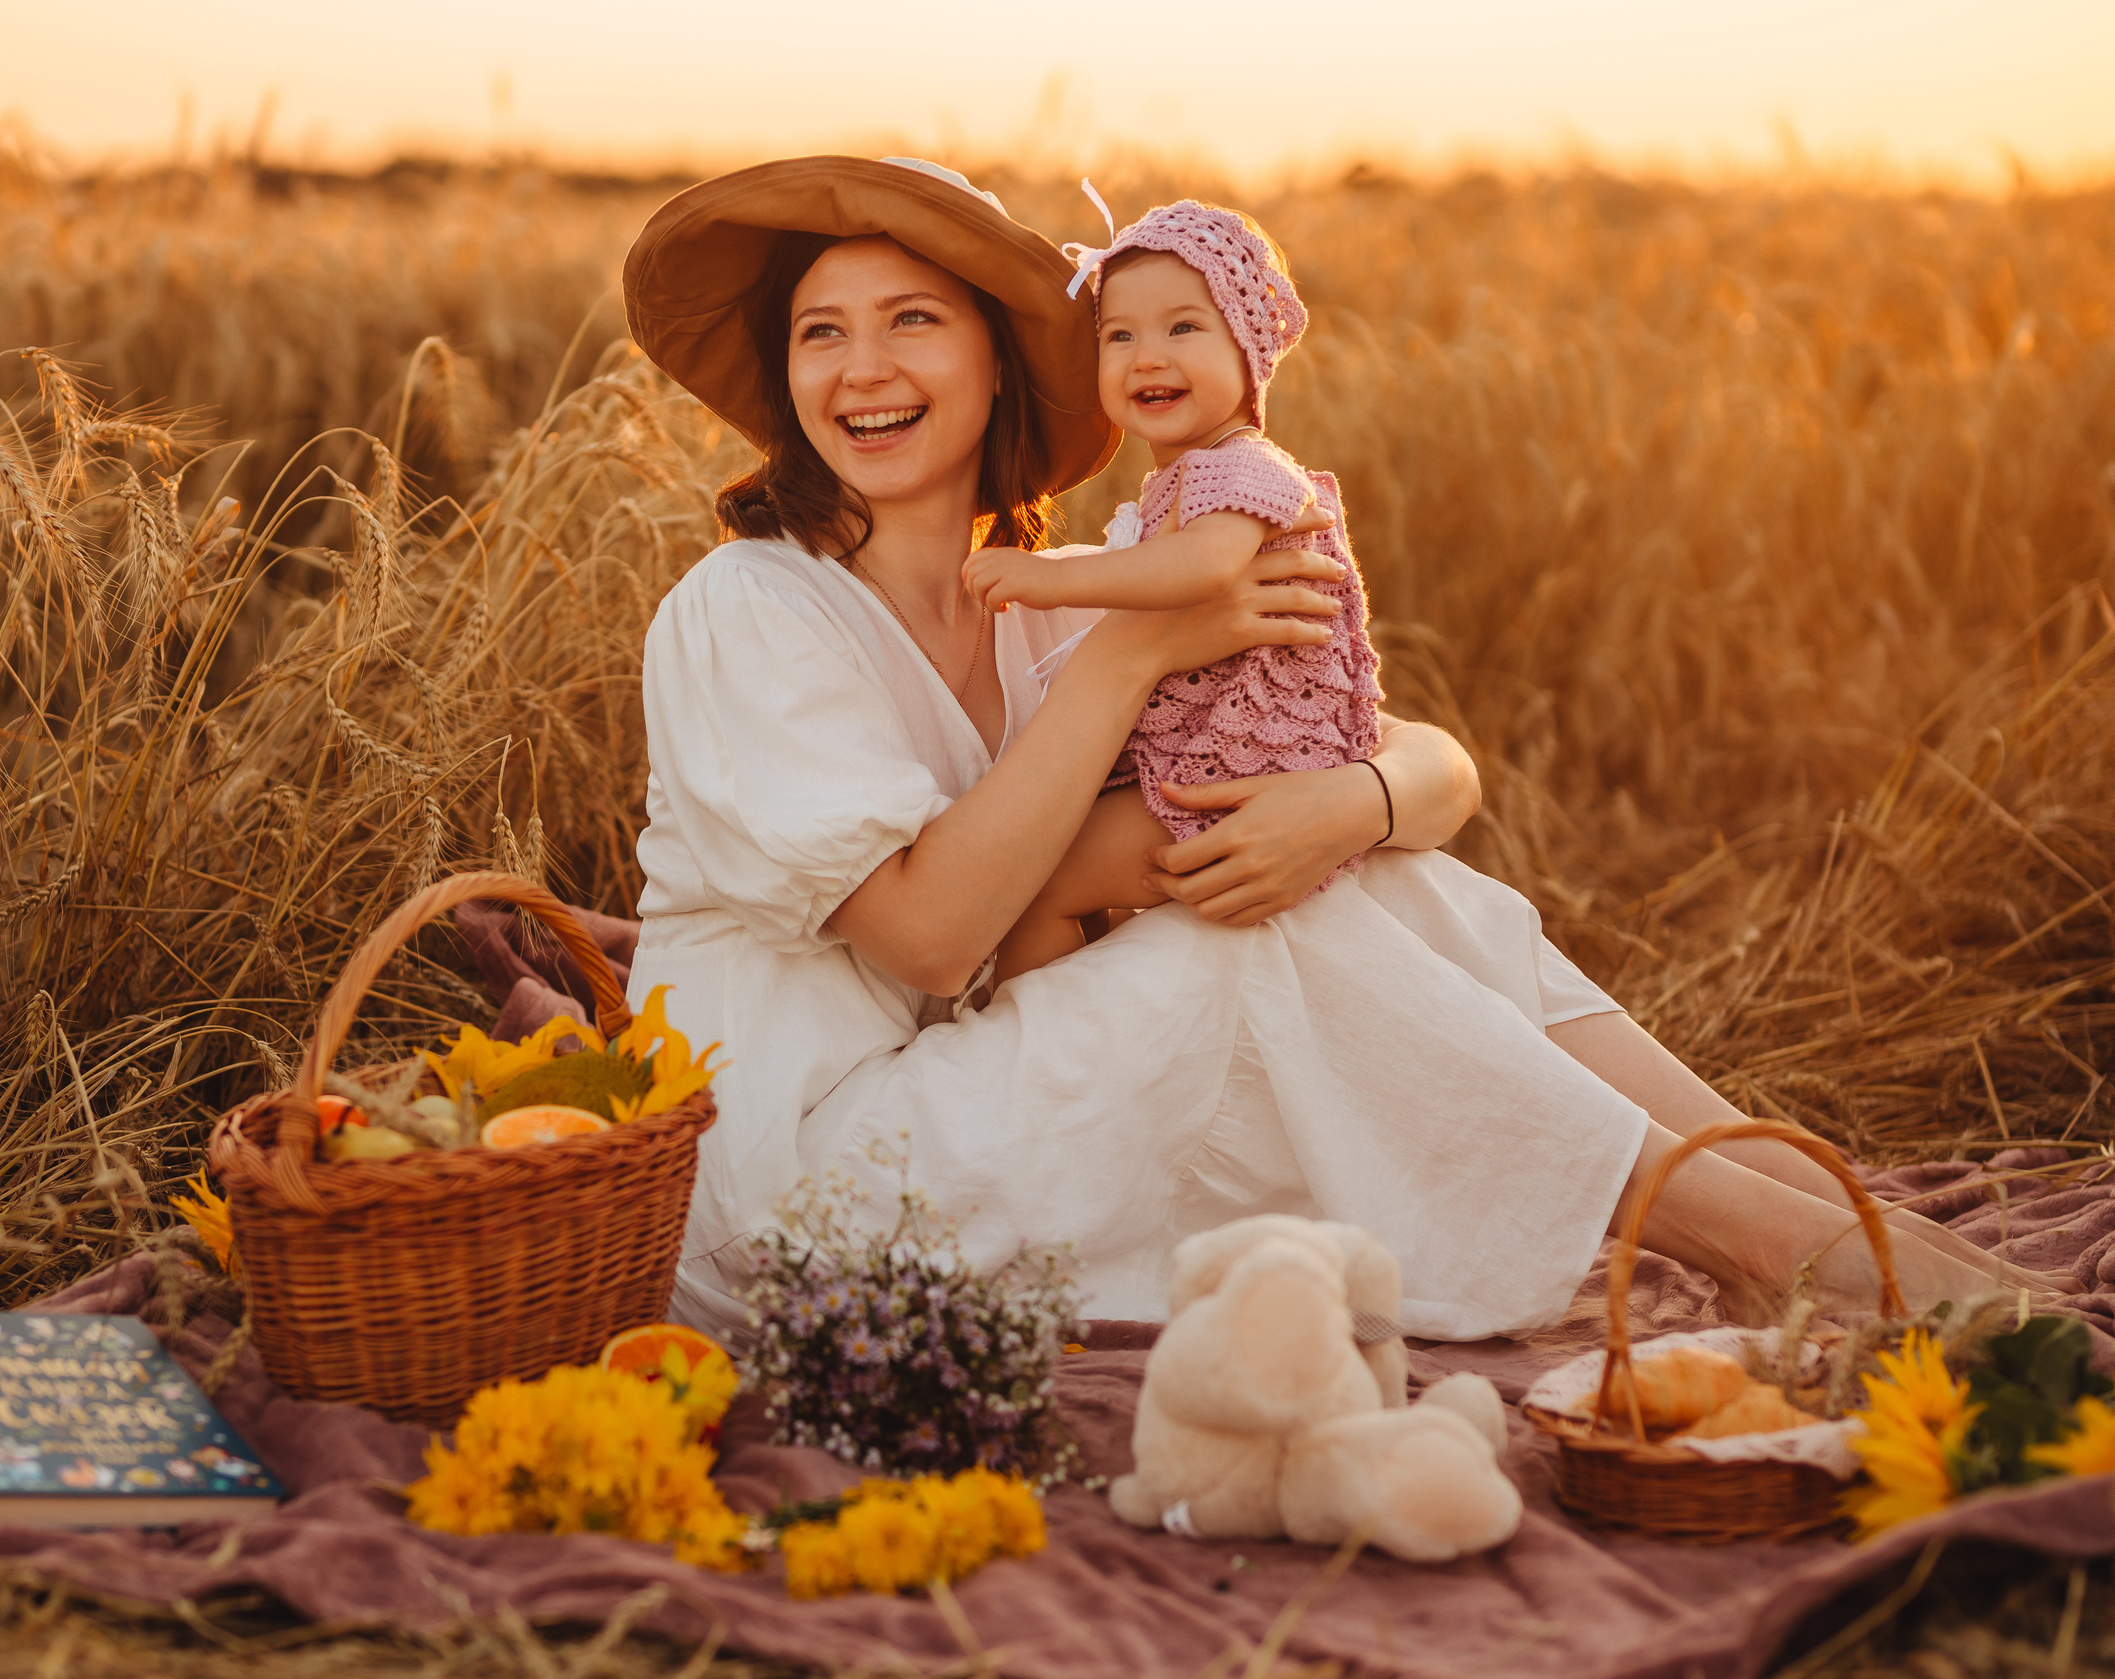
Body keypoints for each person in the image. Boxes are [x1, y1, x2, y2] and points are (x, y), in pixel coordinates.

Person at [618, 156, 2062, 1345]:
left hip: (982, 1095)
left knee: (1361, 880)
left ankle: (1799, 1199)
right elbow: (933, 939)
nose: (862, 368)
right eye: (821, 331)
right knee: (1248, 936)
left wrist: (1354, 802)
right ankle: (1777, 1240)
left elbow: (1430, 763)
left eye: (912, 321)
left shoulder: (1054, 612)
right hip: (805, 1188)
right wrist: (1143, 648)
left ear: (999, 365)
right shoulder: (752, 608)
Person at [961, 196, 1384, 982]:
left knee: (1041, 882)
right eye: (1120, 335)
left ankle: (1024, 1058)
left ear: (1248, 352)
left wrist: (1048, 577)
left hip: (1251, 765)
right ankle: (1074, 1032)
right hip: (1217, 754)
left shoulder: (1244, 466)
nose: (1146, 356)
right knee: (1068, 872)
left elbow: (1205, 568)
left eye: (1183, 327)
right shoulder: (1188, 477)